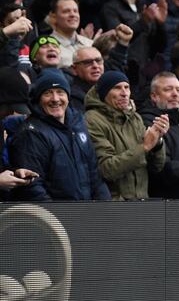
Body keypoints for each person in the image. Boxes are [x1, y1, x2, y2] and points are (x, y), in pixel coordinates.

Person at [8, 68, 111, 201]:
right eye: (48, 93)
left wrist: (105, 208)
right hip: (56, 217)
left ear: (68, 97)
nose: (55, 99)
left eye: (60, 92)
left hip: (86, 214)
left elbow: (94, 174)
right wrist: (55, 218)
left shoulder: (78, 124)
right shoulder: (31, 133)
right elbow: (33, 188)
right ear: (38, 99)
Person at [84, 70, 168, 200]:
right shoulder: (92, 119)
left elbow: (156, 167)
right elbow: (107, 169)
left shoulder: (135, 118)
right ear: (104, 93)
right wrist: (144, 147)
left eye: (127, 87)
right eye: (117, 88)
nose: (124, 93)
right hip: (113, 207)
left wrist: (157, 143)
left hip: (141, 201)